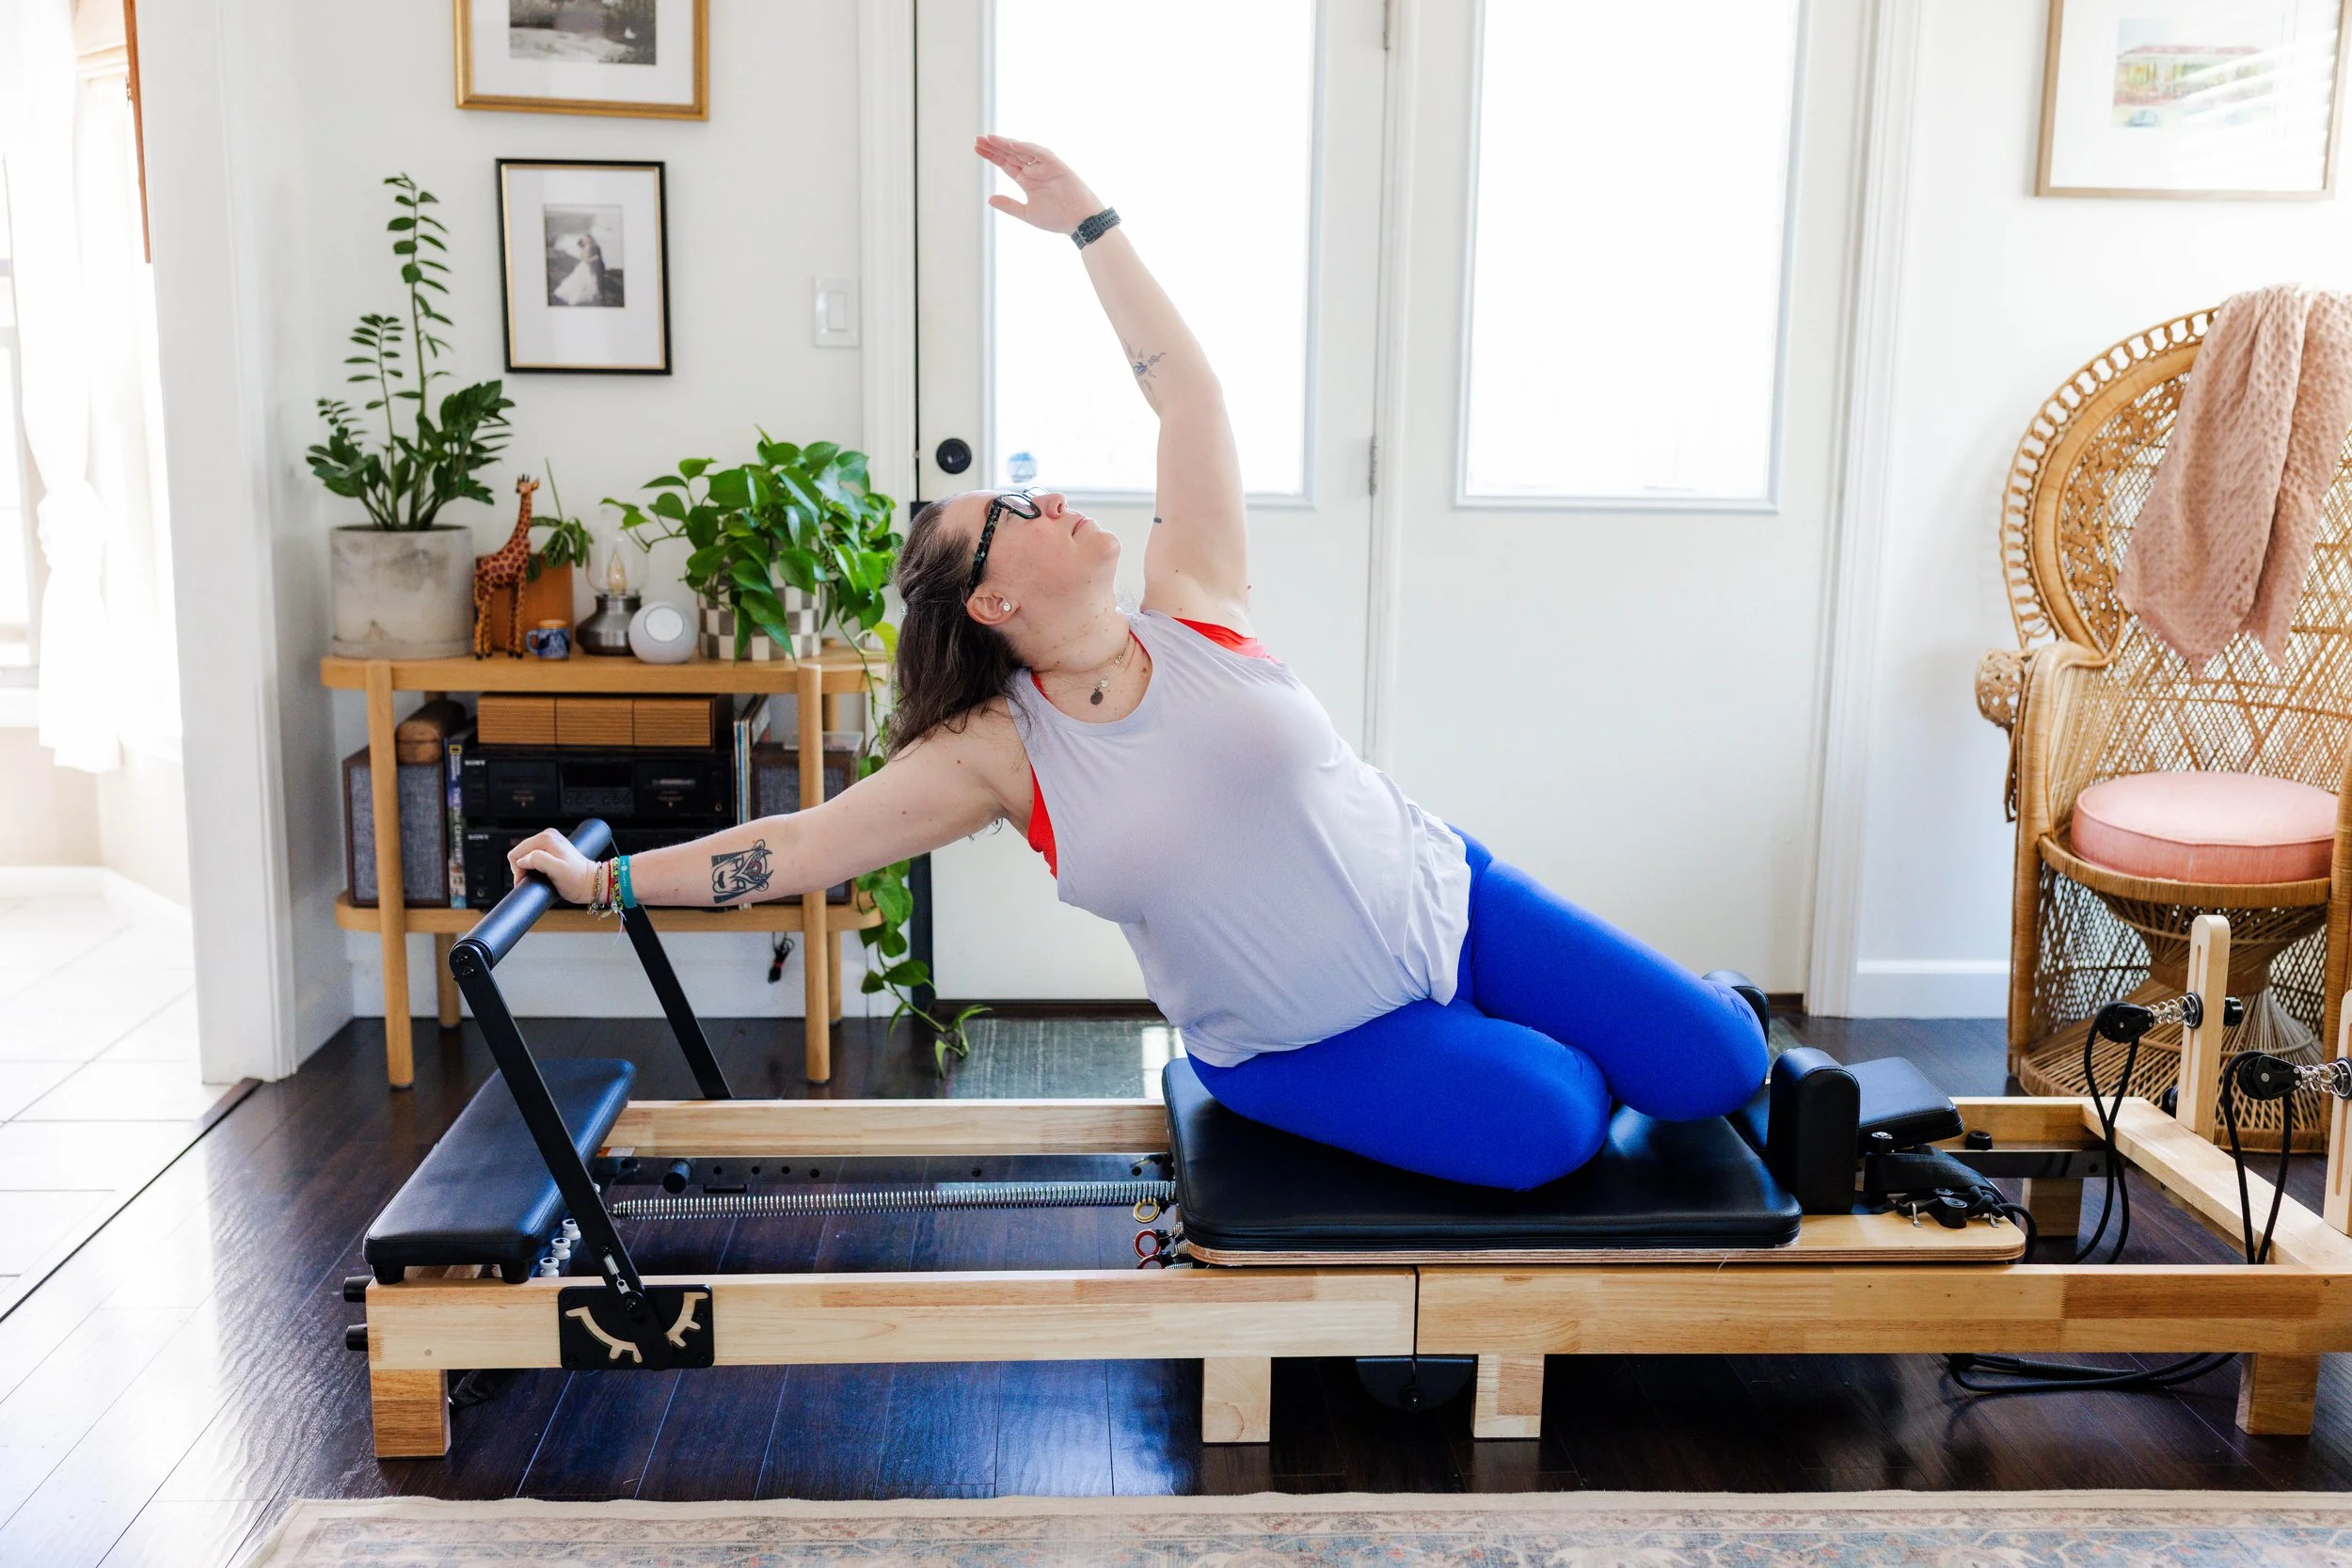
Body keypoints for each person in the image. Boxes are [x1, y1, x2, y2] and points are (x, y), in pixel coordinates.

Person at [507, 135, 1768, 1190]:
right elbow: (799, 849)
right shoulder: (998, 752)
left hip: (1452, 905)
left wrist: (1091, 226)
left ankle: (1640, 1017)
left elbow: (1194, 402)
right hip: (1296, 1046)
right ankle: (1511, 1055)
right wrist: (598, 884)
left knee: (1720, 1063)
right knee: (1550, 1120)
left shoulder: (1195, 602)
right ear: (996, 598)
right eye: (1012, 508)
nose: (1046, 492)